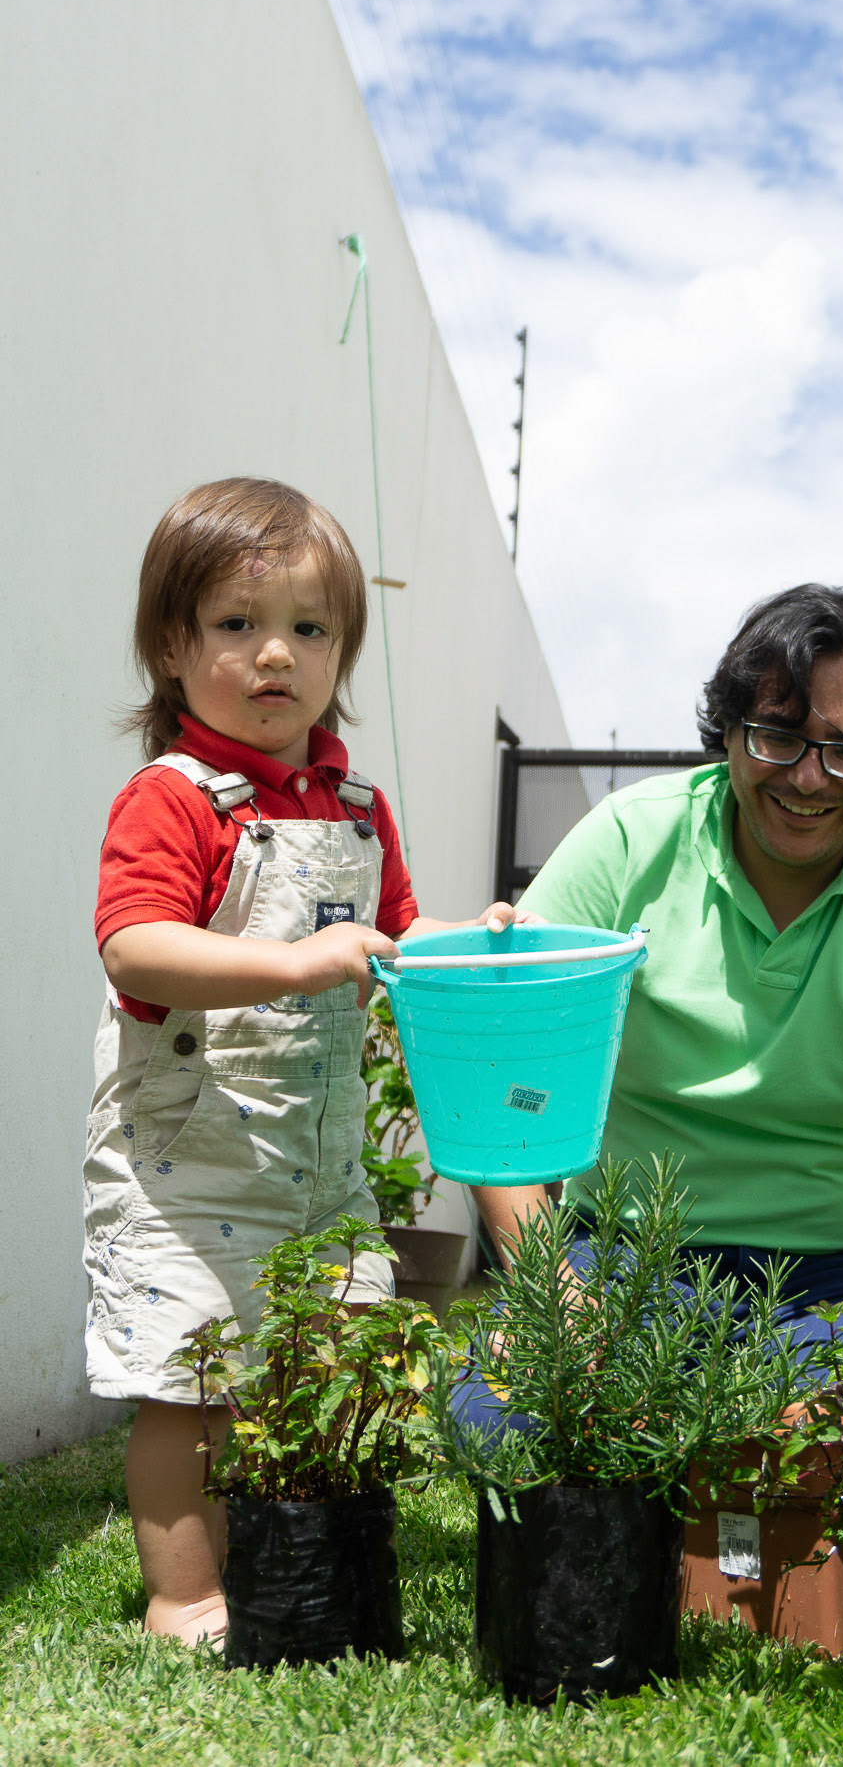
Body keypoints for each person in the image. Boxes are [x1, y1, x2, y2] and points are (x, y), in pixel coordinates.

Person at [84, 477, 520, 1646]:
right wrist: (289, 962)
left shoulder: (357, 804)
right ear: (172, 648)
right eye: (236, 624)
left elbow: (397, 931)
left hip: (317, 1165)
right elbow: (136, 942)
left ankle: (307, 1561)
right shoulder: (173, 800)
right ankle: (186, 1592)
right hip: (189, 1161)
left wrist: (461, 948)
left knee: (330, 1357)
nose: (275, 653)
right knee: (188, 1381)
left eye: (311, 629)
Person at [469, 583, 843, 1357]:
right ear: (727, 733)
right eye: (777, 737)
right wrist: (549, 1292)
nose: (808, 779)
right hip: (625, 1253)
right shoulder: (628, 843)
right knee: (510, 1427)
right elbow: (503, 1067)